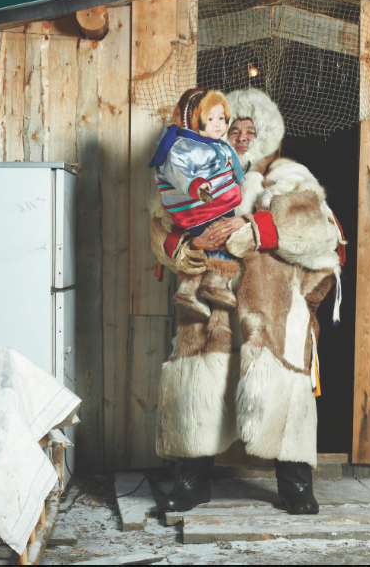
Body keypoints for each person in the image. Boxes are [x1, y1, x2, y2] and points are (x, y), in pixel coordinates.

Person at [149, 89, 345, 515]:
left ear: (268, 136)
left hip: (271, 304)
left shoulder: (291, 175)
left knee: (282, 383)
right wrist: (185, 243)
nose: (240, 138)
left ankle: (295, 484)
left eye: (249, 131)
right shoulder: (192, 173)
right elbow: (161, 225)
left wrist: (257, 230)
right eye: (232, 129)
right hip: (208, 302)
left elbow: (317, 227)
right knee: (202, 382)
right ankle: (192, 481)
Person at [148, 88, 246, 319]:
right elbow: (177, 171)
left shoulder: (217, 146)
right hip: (199, 209)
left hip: (221, 205)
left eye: (222, 119)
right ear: (194, 121)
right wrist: (196, 185)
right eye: (210, 119)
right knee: (208, 242)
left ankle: (216, 285)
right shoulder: (183, 146)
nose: (218, 125)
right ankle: (192, 290)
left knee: (223, 241)